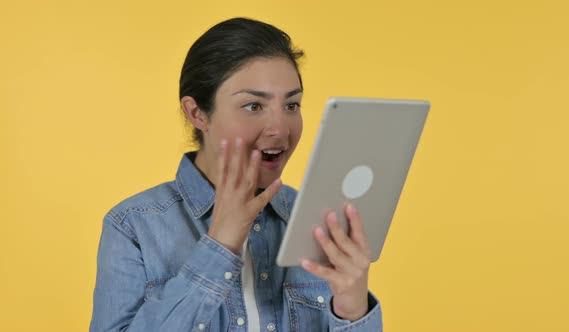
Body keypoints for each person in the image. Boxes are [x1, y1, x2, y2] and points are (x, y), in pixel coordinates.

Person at [90, 17, 383, 332]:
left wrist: (353, 311)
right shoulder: (134, 226)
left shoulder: (318, 222)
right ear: (197, 113)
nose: (280, 129)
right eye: (254, 106)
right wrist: (219, 247)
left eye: (291, 105)